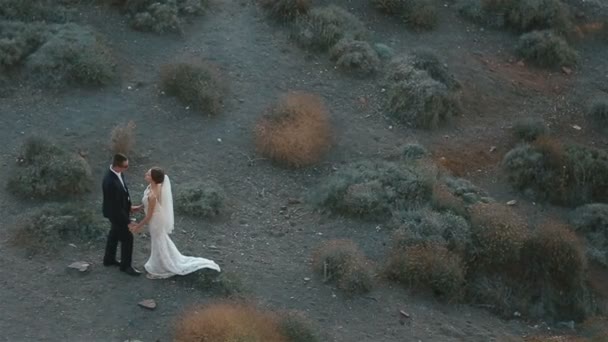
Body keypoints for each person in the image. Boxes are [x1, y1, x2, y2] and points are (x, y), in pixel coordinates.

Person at [130, 167, 221, 279]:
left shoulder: (153, 194)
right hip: (156, 217)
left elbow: (149, 215)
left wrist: (138, 226)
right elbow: (148, 204)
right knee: (160, 241)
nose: (145, 174)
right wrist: (138, 207)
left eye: (148, 174)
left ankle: (162, 266)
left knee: (158, 242)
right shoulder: (155, 186)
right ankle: (160, 262)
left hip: (156, 221)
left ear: (153, 179)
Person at [102, 153, 141, 276]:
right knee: (127, 238)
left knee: (114, 234)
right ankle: (126, 266)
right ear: (117, 166)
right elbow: (115, 206)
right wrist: (128, 221)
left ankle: (109, 259)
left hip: (119, 212)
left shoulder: (118, 174)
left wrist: (130, 207)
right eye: (126, 166)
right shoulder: (110, 181)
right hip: (116, 214)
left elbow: (123, 194)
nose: (127, 168)